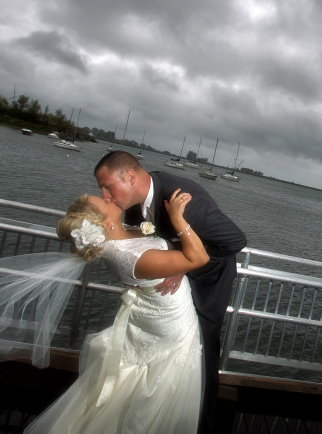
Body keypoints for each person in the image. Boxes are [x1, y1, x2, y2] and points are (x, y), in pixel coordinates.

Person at [0, 189, 208, 434]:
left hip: (154, 316)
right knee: (155, 392)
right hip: (170, 325)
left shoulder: (122, 238)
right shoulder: (131, 257)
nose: (108, 197)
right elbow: (199, 258)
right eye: (103, 201)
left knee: (133, 383)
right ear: (106, 224)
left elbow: (171, 255)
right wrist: (177, 218)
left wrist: (177, 266)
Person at [95, 150, 247, 434]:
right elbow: (147, 233)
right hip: (170, 298)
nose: (105, 195)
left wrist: (184, 268)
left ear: (129, 177)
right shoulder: (133, 203)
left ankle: (203, 424)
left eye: (108, 187)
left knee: (202, 358)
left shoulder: (186, 200)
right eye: (101, 189)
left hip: (206, 285)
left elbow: (235, 240)